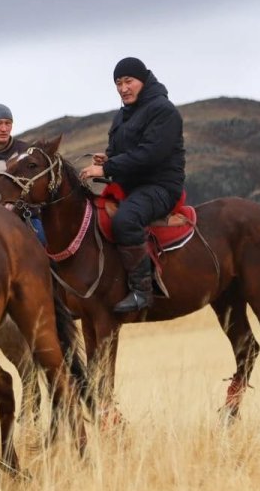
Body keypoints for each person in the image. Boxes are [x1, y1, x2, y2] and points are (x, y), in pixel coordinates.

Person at [78, 57, 185, 315]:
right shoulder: (122, 116)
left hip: (160, 187)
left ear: (143, 80)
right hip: (131, 186)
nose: (123, 88)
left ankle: (142, 291)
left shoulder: (164, 110)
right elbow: (120, 151)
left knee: (125, 219)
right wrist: (109, 158)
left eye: (129, 81)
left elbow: (150, 154)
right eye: (118, 83)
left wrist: (106, 169)